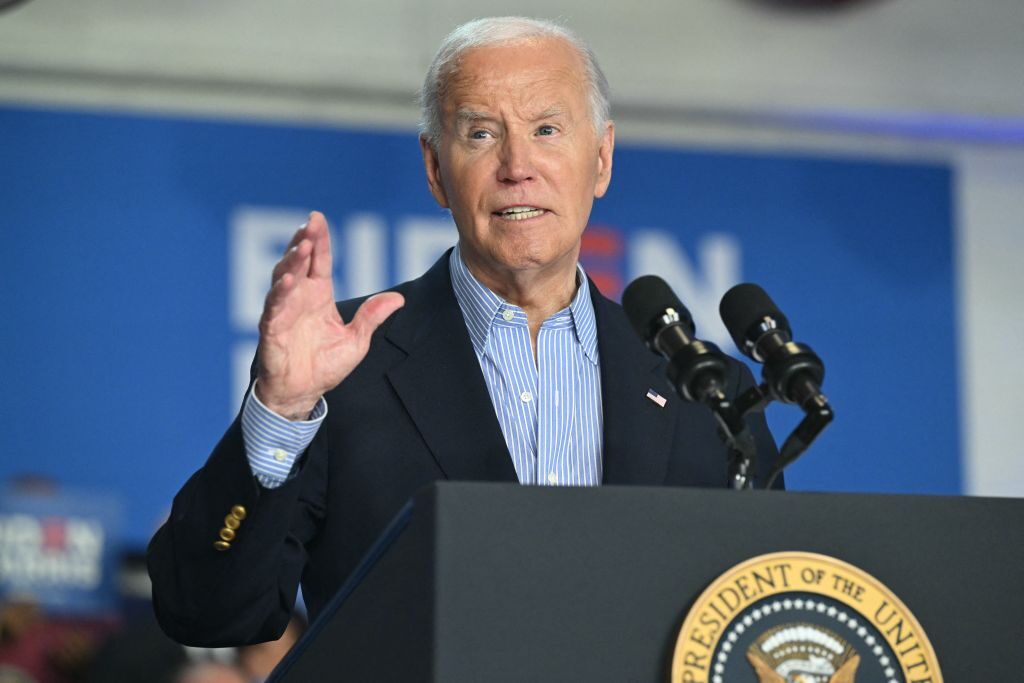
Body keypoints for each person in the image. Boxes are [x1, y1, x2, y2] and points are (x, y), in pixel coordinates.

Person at [147, 16, 779, 648]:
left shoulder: (709, 396)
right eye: (481, 134)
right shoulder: (345, 367)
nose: (517, 165)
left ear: (602, 158)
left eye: (547, 130)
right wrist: (281, 410)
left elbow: (764, 620)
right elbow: (208, 612)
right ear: (434, 168)